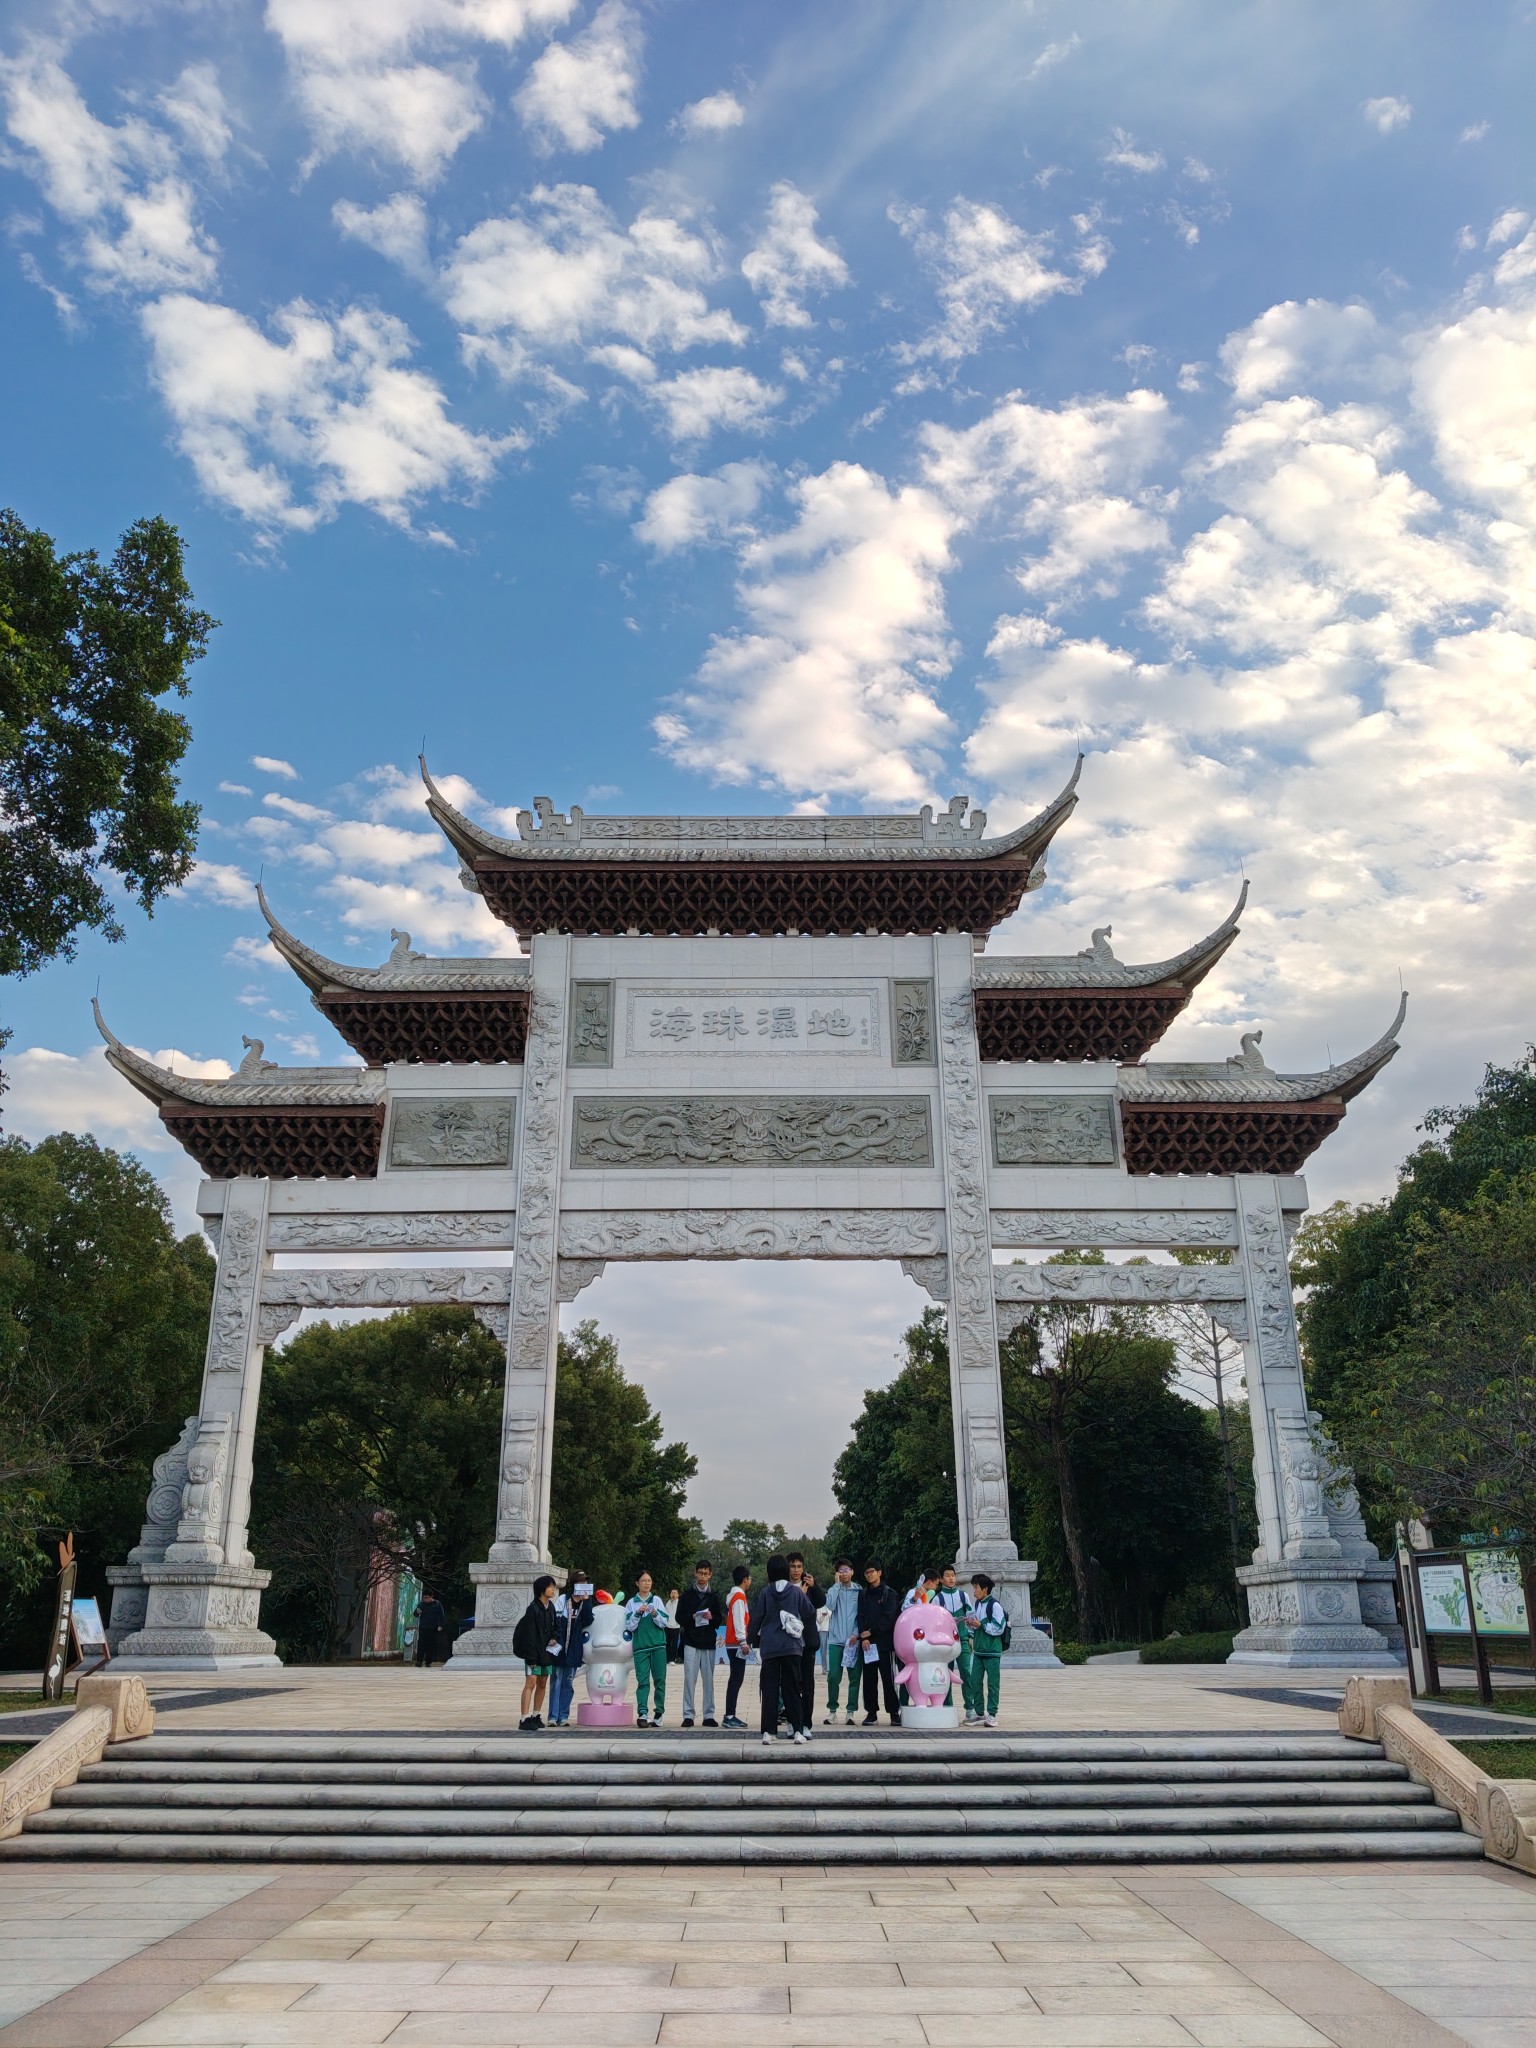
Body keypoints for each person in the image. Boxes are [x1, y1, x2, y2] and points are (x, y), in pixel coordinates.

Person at [749, 1552, 817, 1745]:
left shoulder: (765, 1592)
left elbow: (756, 1619)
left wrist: (748, 1641)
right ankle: (798, 1730)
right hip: (791, 1647)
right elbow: (809, 1612)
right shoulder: (795, 1592)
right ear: (786, 1571)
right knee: (792, 1689)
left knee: (769, 1689)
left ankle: (769, 1732)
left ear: (769, 1572)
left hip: (770, 1648)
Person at [679, 1559, 726, 1728]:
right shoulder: (687, 1595)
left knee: (708, 1681)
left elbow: (719, 1618)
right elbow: (679, 1617)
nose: (703, 1576)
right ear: (695, 1573)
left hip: (708, 1642)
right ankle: (688, 1714)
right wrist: (692, 1617)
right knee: (689, 1679)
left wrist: (712, 1618)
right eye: (700, 1573)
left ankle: (708, 1714)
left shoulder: (714, 1596)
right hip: (691, 1641)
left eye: (706, 1573)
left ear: (710, 1575)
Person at [512, 1574, 561, 1730]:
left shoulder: (551, 1607)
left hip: (547, 1653)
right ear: (542, 1589)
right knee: (530, 1683)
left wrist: (554, 1637)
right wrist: (531, 1658)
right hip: (533, 1653)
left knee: (542, 1683)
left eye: (553, 1587)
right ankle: (524, 1717)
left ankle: (536, 1714)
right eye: (550, 1587)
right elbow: (529, 1635)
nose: (553, 1590)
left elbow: (556, 1626)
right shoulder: (532, 1609)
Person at [856, 1560, 901, 1725]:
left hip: (885, 1644)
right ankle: (871, 1713)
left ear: (879, 1572)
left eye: (872, 1571)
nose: (869, 1575)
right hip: (868, 1645)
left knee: (888, 1679)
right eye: (866, 1573)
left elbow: (889, 1618)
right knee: (869, 1679)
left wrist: (872, 1631)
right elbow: (860, 1616)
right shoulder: (863, 1595)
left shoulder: (890, 1594)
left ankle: (894, 1713)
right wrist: (864, 1636)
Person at [624, 1572, 671, 1727]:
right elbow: (630, 1626)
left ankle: (659, 1713)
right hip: (641, 1648)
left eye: (649, 1580)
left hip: (658, 1646)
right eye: (643, 1580)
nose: (647, 1583)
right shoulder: (631, 1603)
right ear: (637, 1583)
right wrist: (638, 1613)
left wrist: (654, 1612)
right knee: (643, 1681)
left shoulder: (656, 1600)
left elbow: (664, 1622)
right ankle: (643, 1713)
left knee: (660, 1680)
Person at [548, 1572, 594, 1727]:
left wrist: (586, 1602)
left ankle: (563, 1716)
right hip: (559, 1648)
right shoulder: (563, 1600)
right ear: (574, 1584)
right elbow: (556, 1621)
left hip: (574, 1649)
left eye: (586, 1583)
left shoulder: (585, 1602)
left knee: (568, 1683)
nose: (583, 1586)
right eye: (581, 1583)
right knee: (556, 1681)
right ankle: (553, 1716)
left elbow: (588, 1620)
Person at [822, 1558, 861, 1726]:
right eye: (841, 1571)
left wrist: (856, 1634)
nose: (844, 1573)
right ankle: (832, 1711)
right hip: (836, 1640)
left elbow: (861, 1615)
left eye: (847, 1570)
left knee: (854, 1677)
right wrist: (836, 1585)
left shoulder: (858, 1591)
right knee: (833, 1677)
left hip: (853, 1641)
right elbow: (830, 1606)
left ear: (852, 1572)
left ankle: (851, 1711)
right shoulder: (833, 1589)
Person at [932, 1565, 975, 1717]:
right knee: (945, 1675)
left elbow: (971, 1616)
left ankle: (970, 1707)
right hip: (945, 1643)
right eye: (947, 1575)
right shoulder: (937, 1599)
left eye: (952, 1575)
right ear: (941, 1579)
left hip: (962, 1640)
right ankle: (946, 1706)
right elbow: (934, 1622)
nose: (951, 1578)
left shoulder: (963, 1596)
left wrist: (970, 1636)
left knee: (966, 1673)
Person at [966, 1572, 1008, 1726]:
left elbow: (999, 1627)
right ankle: (979, 1713)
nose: (974, 1591)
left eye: (976, 1587)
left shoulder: (994, 1606)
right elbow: (976, 1627)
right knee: (975, 1682)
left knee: (993, 1684)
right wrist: (971, 1625)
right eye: (974, 1587)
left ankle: (992, 1715)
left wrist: (981, 1625)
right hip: (978, 1651)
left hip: (992, 1652)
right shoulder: (977, 1604)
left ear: (985, 1589)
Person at [787, 1553, 820, 1740]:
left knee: (808, 1686)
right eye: (793, 1566)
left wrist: (814, 1587)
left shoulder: (809, 1586)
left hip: (807, 1643)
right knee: (791, 1685)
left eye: (799, 1566)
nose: (796, 1570)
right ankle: (792, 1722)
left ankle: (806, 1724)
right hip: (789, 1644)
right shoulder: (783, 1587)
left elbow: (821, 1602)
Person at [722, 1564, 753, 1728]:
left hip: (733, 1643)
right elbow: (739, 1620)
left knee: (735, 1678)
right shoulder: (739, 1598)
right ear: (744, 1579)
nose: (750, 1581)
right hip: (736, 1644)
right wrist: (743, 1641)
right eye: (749, 1578)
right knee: (736, 1679)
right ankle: (729, 1715)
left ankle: (730, 1714)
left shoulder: (734, 1596)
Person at [414, 1592, 447, 1668]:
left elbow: (441, 1615)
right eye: (424, 1598)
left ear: (431, 1597)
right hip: (423, 1627)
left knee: (430, 1645)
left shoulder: (437, 1604)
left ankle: (428, 1662)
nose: (425, 1599)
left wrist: (441, 1625)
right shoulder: (421, 1604)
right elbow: (415, 1614)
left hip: (433, 1627)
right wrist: (417, 1612)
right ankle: (419, 1661)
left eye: (427, 1598)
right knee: (421, 1644)